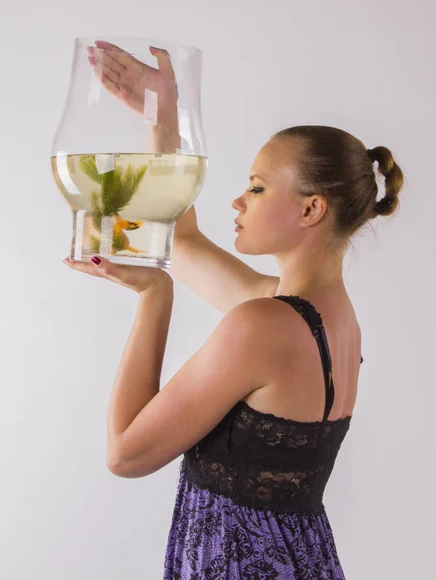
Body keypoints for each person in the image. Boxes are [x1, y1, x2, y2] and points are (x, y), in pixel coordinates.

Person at [79, 41, 405, 579]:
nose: (238, 201)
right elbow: (181, 239)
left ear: (311, 209)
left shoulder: (264, 324)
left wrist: (153, 297)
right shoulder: (325, 317)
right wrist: (164, 116)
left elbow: (125, 454)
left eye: (256, 187)